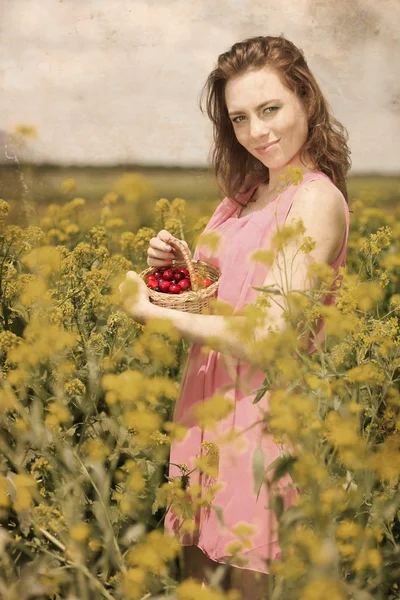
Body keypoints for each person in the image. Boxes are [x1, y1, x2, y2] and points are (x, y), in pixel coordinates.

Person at [120, 34, 351, 600]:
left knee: (252, 585)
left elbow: (269, 337)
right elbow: (235, 293)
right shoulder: (246, 193)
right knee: (199, 586)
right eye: (240, 118)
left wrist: (152, 312)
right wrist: (184, 273)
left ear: (306, 100)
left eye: (270, 109)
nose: (257, 131)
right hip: (207, 407)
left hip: (262, 424)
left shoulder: (315, 200)